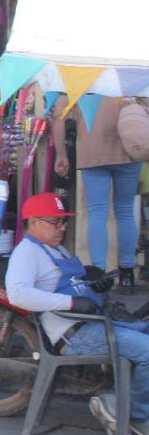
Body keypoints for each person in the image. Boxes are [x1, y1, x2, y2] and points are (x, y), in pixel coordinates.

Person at [5, 193, 149, 435]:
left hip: (94, 322)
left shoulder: (56, 249)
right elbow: (17, 294)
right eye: (55, 222)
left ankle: (116, 400)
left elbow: (73, 283)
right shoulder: (26, 253)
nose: (62, 228)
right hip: (75, 336)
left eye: (64, 222)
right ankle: (134, 414)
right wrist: (70, 302)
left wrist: (95, 285)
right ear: (34, 222)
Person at [50, 97, 144, 290]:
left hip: (93, 152)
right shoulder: (130, 75)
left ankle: (98, 274)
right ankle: (127, 273)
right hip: (128, 151)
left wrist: (61, 154)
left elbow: (58, 116)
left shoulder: (85, 73)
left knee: (97, 212)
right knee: (125, 211)